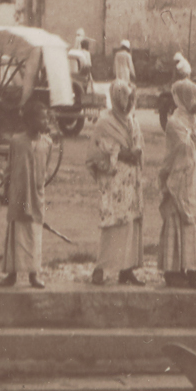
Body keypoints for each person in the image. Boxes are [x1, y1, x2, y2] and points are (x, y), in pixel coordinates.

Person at [157, 78, 196, 285]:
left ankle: (190, 266)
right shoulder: (175, 122)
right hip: (179, 176)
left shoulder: (192, 121)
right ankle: (172, 270)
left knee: (194, 220)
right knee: (178, 217)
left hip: (195, 176)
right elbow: (184, 147)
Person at [87, 81, 145, 285]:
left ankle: (126, 268)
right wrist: (120, 154)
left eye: (132, 99)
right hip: (114, 180)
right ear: (117, 98)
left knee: (129, 224)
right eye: (127, 98)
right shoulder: (104, 123)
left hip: (131, 181)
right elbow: (96, 153)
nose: (130, 103)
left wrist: (136, 153)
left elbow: (138, 143)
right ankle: (100, 268)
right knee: (111, 224)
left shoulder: (133, 121)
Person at [0, 99, 51, 289]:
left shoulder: (47, 144)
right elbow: (9, 169)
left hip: (36, 197)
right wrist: (6, 190)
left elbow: (45, 171)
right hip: (19, 196)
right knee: (15, 235)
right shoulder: (17, 142)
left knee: (34, 235)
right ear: (29, 121)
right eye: (42, 119)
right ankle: (11, 274)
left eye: (47, 119)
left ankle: (33, 274)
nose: (46, 122)